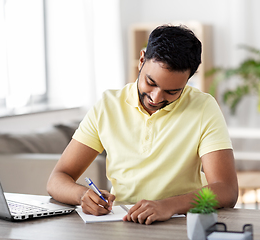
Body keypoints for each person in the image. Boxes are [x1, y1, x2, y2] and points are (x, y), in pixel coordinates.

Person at [47, 24, 238, 225]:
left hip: (180, 222)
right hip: (121, 224)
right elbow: (57, 179)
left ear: (188, 81)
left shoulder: (203, 107)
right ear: (141, 60)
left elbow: (226, 189)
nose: (156, 98)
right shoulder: (108, 106)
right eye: (151, 82)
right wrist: (82, 195)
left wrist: (169, 205)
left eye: (172, 91)